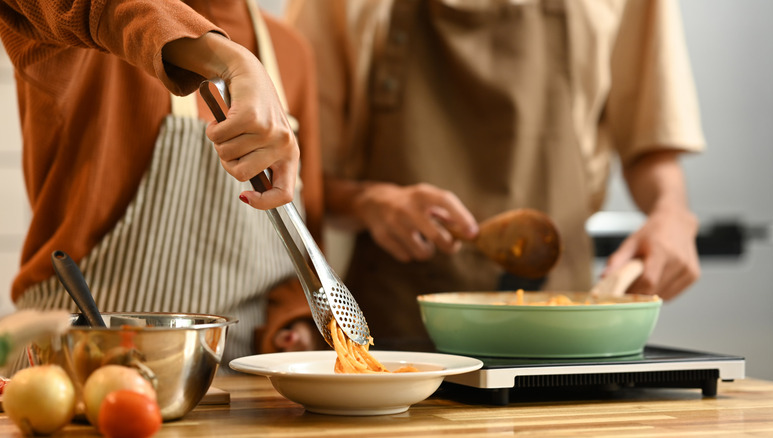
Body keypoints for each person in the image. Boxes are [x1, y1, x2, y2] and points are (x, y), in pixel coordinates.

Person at [287, 0, 705, 350]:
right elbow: (301, 174)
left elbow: (651, 141)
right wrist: (369, 203)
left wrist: (671, 213)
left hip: (566, 327)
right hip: (396, 327)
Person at [0, 0, 327, 369]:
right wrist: (232, 60)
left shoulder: (291, 51)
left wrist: (293, 320)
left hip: (240, 388)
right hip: (77, 370)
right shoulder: (86, 29)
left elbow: (303, 244)